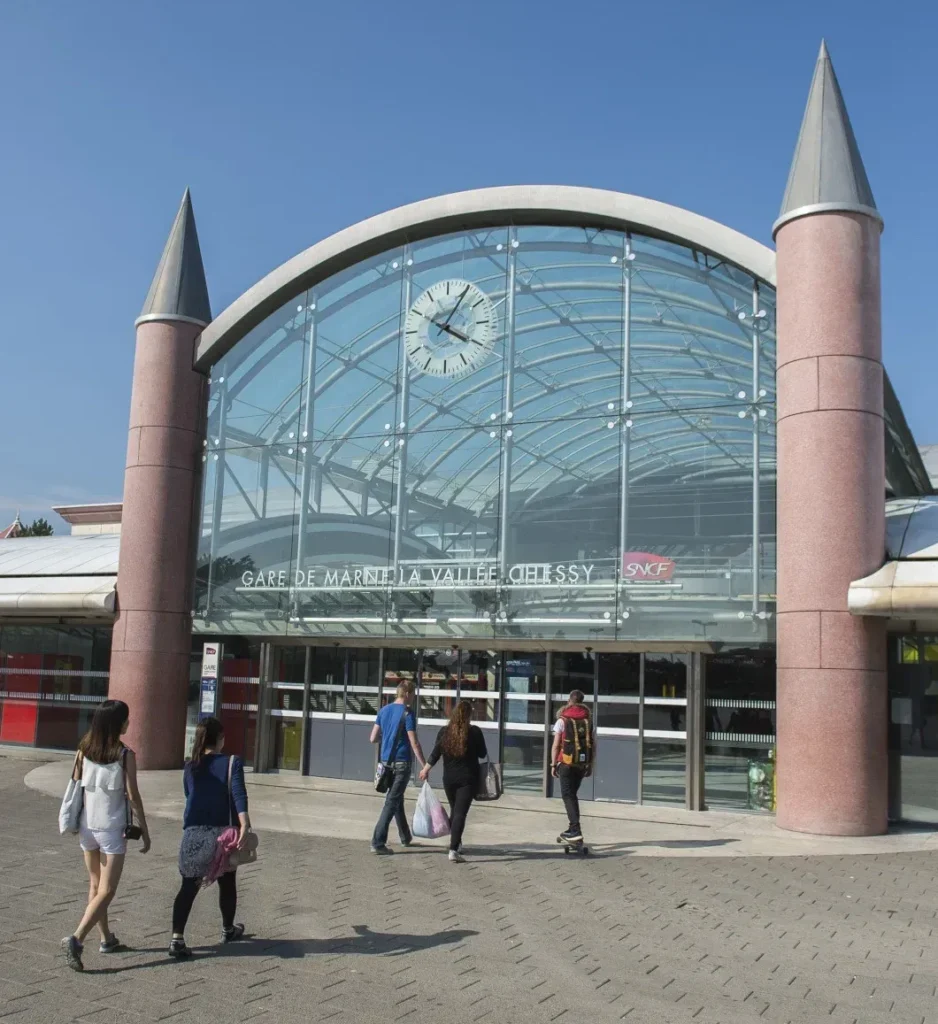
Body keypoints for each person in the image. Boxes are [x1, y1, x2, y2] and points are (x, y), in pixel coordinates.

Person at [62, 700, 151, 972]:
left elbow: (76, 783)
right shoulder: (125, 755)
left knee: (95, 885)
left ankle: (106, 939)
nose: (128, 723)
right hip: (111, 830)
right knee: (108, 890)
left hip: (87, 826)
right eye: (126, 719)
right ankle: (76, 939)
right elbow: (133, 796)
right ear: (117, 724)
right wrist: (145, 831)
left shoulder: (83, 750)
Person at [168, 716, 251, 959]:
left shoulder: (190, 765)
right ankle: (227, 929)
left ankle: (177, 939)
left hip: (193, 832)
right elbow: (238, 793)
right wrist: (245, 823)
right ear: (220, 739)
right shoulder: (232, 763)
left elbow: (188, 793)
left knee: (188, 886)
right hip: (222, 834)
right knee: (227, 881)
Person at [419, 699, 488, 863]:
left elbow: (435, 753)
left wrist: (425, 769)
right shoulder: (475, 732)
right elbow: (482, 754)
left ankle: (457, 843)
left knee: (455, 811)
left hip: (449, 779)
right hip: (468, 780)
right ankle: (453, 849)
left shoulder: (444, 732)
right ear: (469, 715)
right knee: (460, 814)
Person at [369, 681, 426, 854]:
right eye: (413, 694)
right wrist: (424, 765)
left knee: (396, 799)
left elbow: (372, 738)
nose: (414, 697)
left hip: (386, 764)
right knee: (392, 802)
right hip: (402, 764)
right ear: (407, 693)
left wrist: (386, 740)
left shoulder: (384, 710)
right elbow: (414, 742)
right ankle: (377, 842)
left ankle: (405, 836)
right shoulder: (408, 713)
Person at [550, 689, 595, 845]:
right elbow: (593, 744)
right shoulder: (588, 720)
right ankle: (571, 829)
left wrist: (553, 764)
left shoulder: (562, 720)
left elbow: (556, 745)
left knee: (568, 796)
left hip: (566, 763)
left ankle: (575, 831)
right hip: (581, 765)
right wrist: (590, 764)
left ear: (570, 700)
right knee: (572, 796)